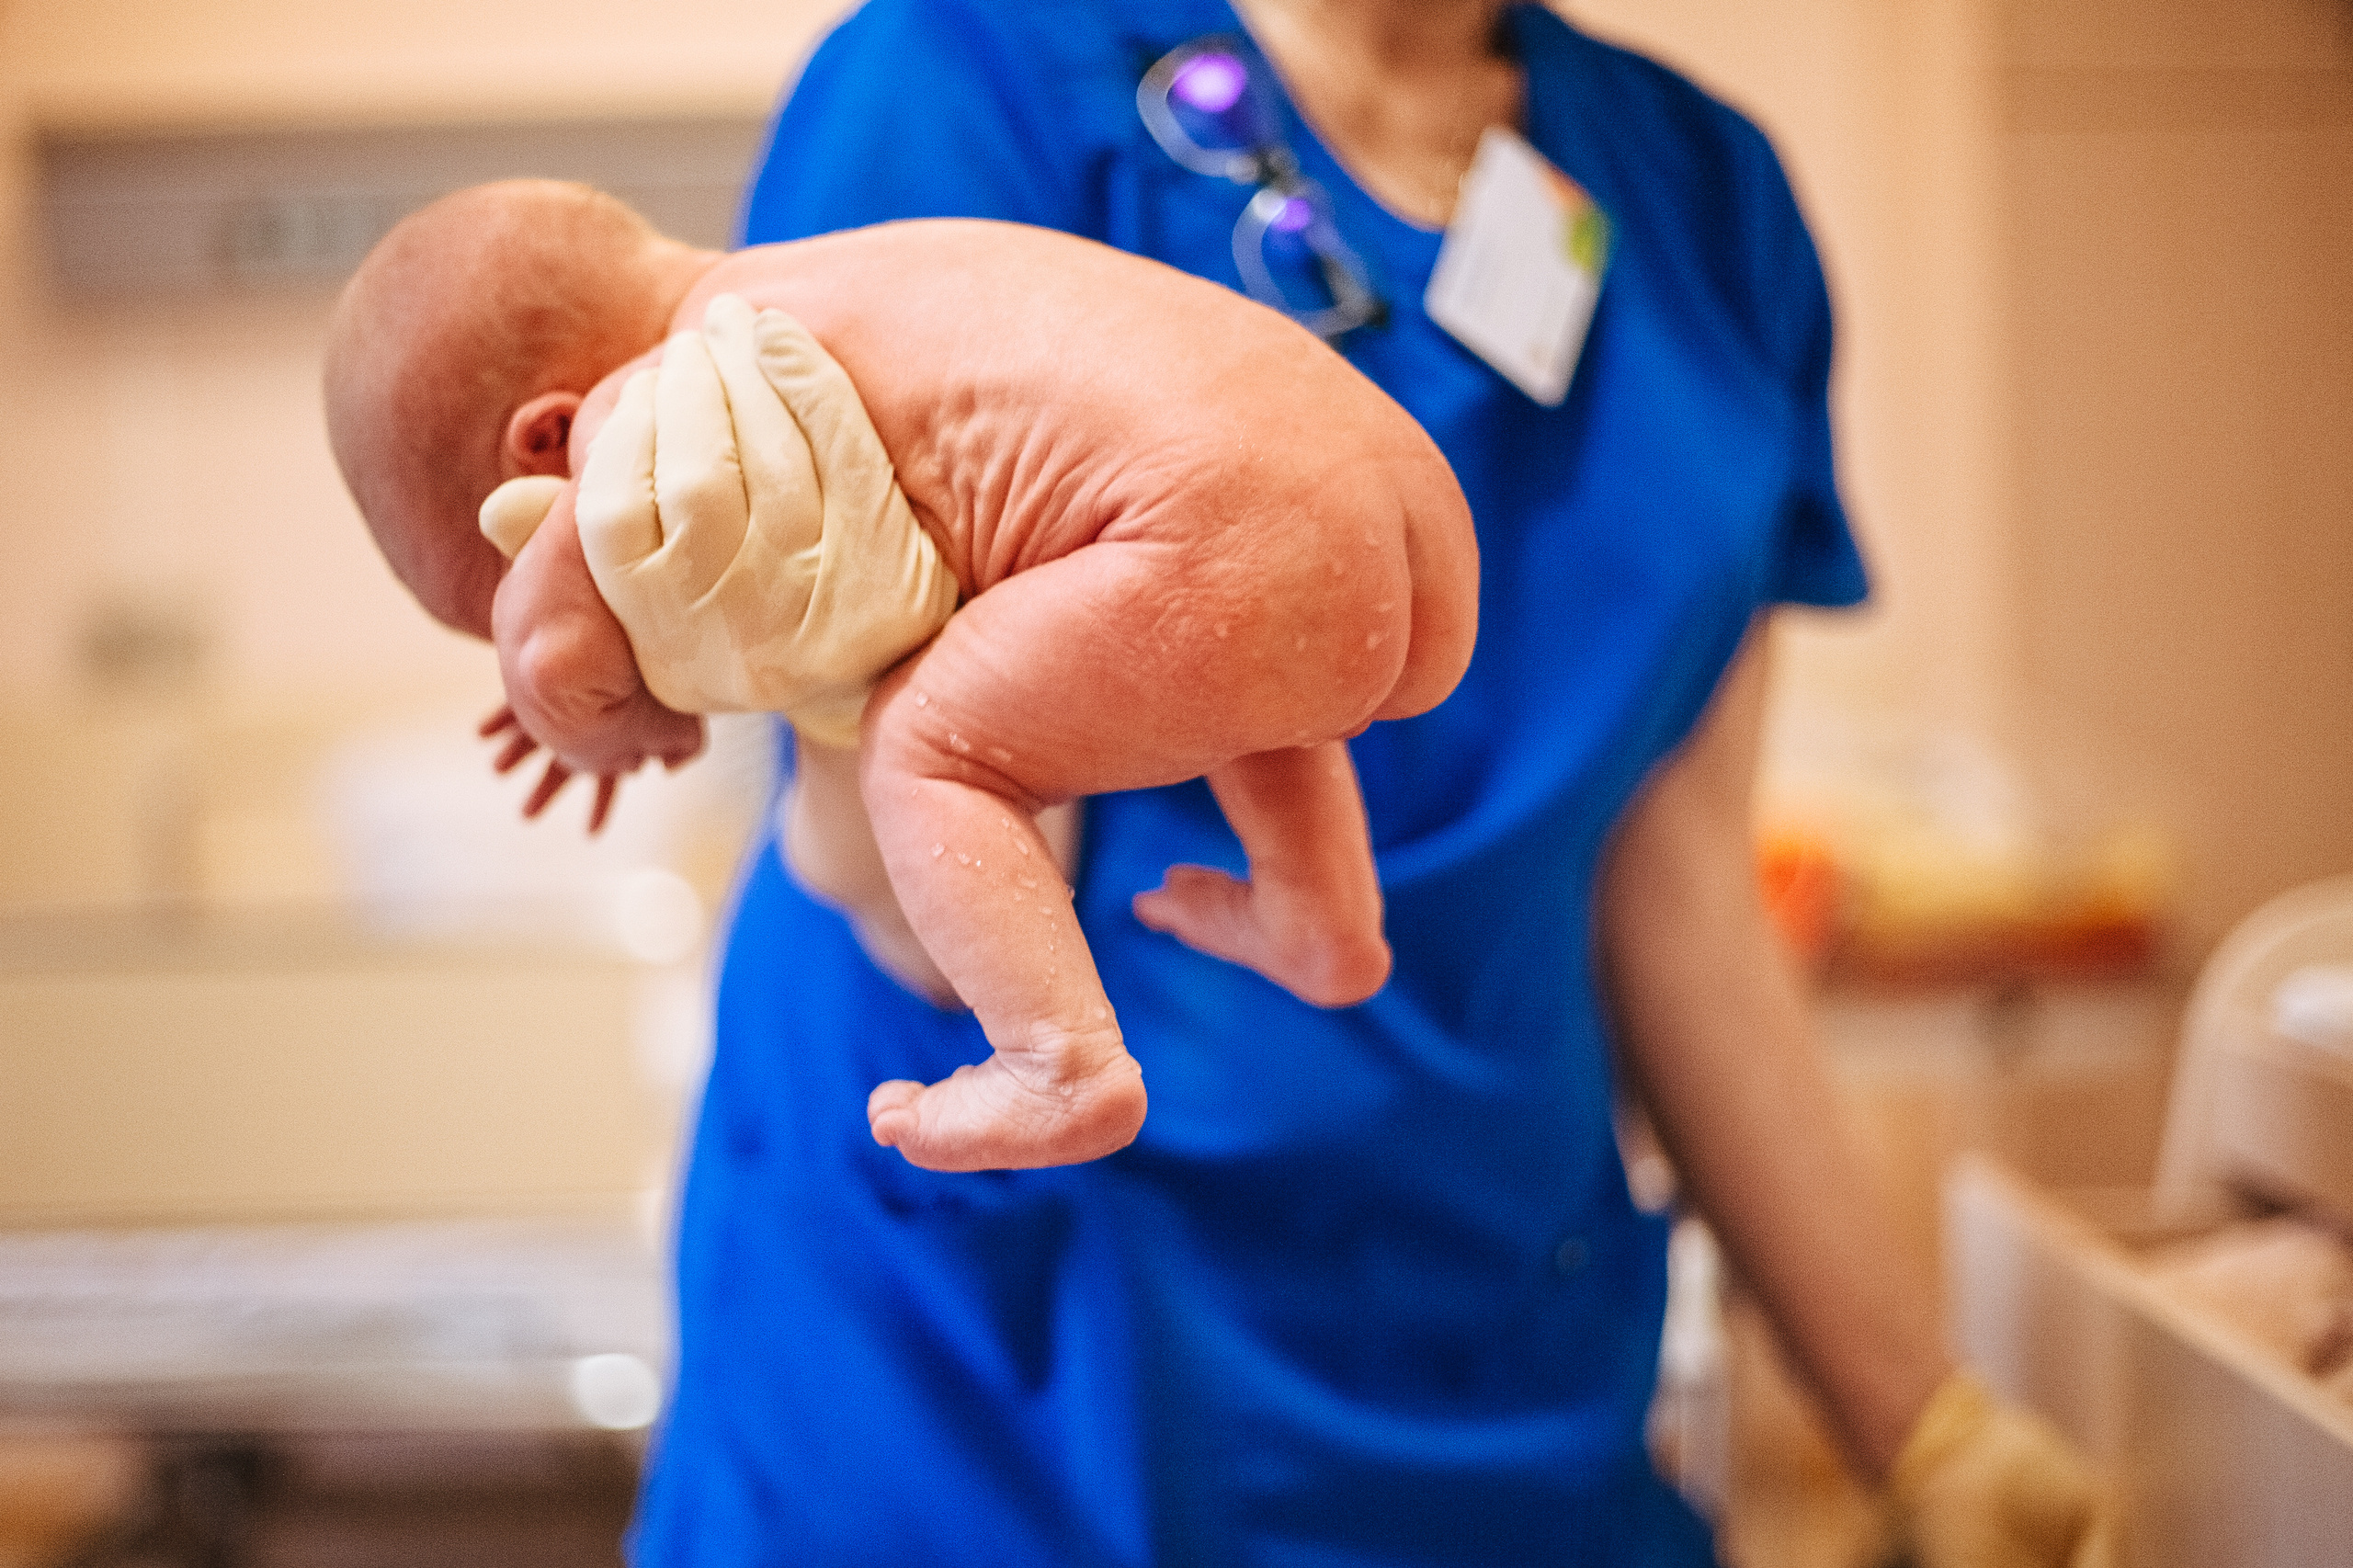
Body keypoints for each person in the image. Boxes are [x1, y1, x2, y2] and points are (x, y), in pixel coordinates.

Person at [609, 0, 2109, 1562]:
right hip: (1012, 1382)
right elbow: (931, 869)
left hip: (1486, 1345)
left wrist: (1925, 1430)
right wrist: (809, 710)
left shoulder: (1703, 205)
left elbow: (1679, 908)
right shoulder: (966, 84)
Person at [323, 181, 1476, 1172]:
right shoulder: (856, 269)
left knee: (926, 740)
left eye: (499, 569)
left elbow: (553, 646)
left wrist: (582, 716)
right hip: (1415, 522)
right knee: (1227, 657)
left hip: (1223, 534)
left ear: (548, 439)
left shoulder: (674, 392)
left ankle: (1057, 1060)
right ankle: (1319, 911)